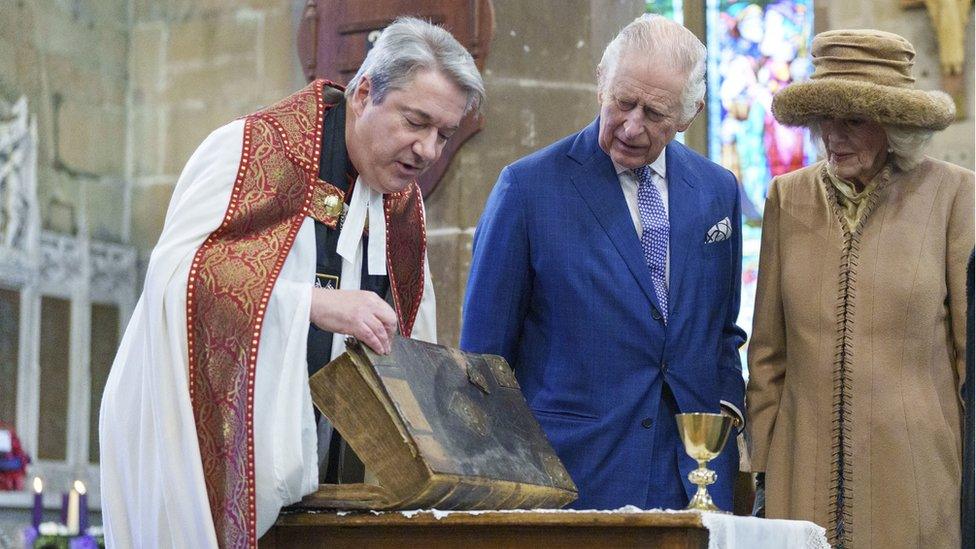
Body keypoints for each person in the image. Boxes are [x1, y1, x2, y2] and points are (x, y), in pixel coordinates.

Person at [99, 17, 484, 548]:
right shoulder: (251, 151)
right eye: (415, 122)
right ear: (365, 91)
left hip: (332, 492)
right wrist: (311, 303)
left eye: (443, 133)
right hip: (213, 462)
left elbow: (413, 334)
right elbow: (176, 282)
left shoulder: (403, 205)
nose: (427, 150)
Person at [461, 14, 745, 511]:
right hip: (575, 474)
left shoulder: (717, 191)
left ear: (690, 113)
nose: (632, 126)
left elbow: (720, 328)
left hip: (693, 477)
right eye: (623, 102)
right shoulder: (527, 190)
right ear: (600, 83)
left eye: (655, 113)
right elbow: (485, 361)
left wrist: (724, 414)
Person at [746, 29, 974, 549]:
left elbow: (972, 361)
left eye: (854, 119)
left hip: (917, 480)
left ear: (895, 126)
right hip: (799, 480)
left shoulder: (955, 196)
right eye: (826, 117)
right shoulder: (787, 197)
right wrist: (760, 472)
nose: (834, 135)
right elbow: (767, 355)